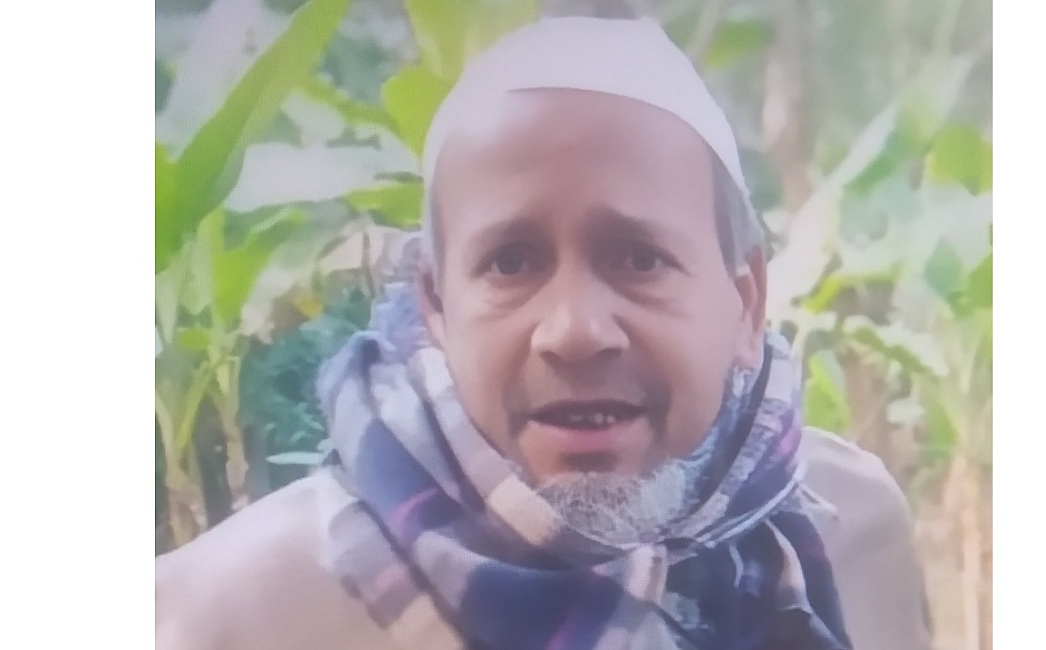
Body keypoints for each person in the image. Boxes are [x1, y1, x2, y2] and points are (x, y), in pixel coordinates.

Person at [156, 16, 932, 650]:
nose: (574, 332)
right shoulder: (222, 613)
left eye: (639, 259)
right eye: (511, 262)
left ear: (746, 306)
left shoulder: (852, 528)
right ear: (436, 308)